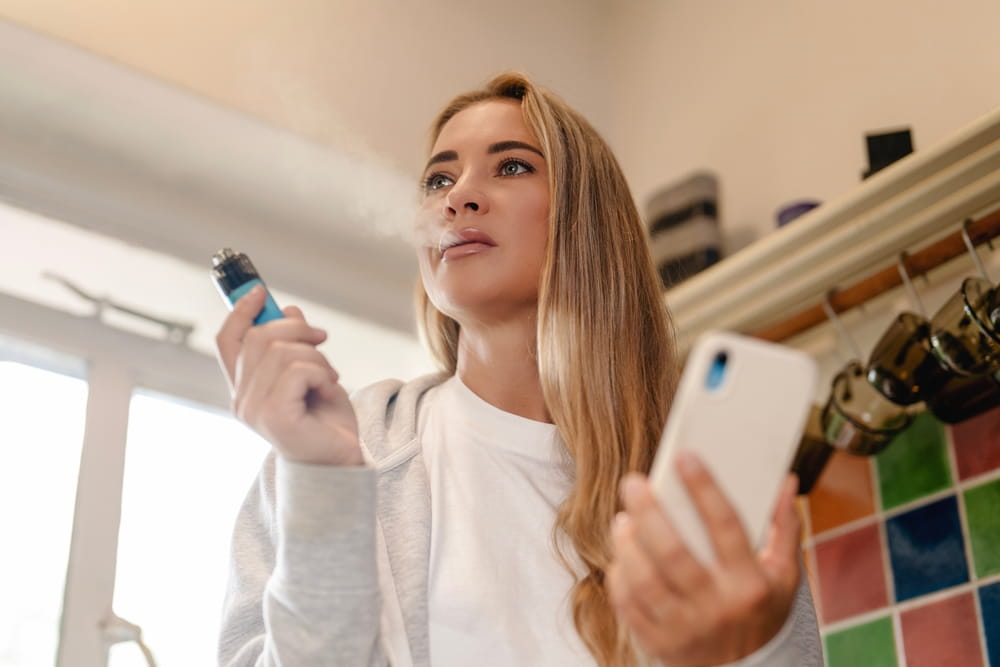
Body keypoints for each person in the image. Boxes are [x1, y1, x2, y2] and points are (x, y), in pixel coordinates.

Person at [216, 72, 823, 667]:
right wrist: (324, 485)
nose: (457, 197)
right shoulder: (344, 456)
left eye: (511, 166)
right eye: (438, 179)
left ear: (588, 221)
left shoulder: (691, 486)